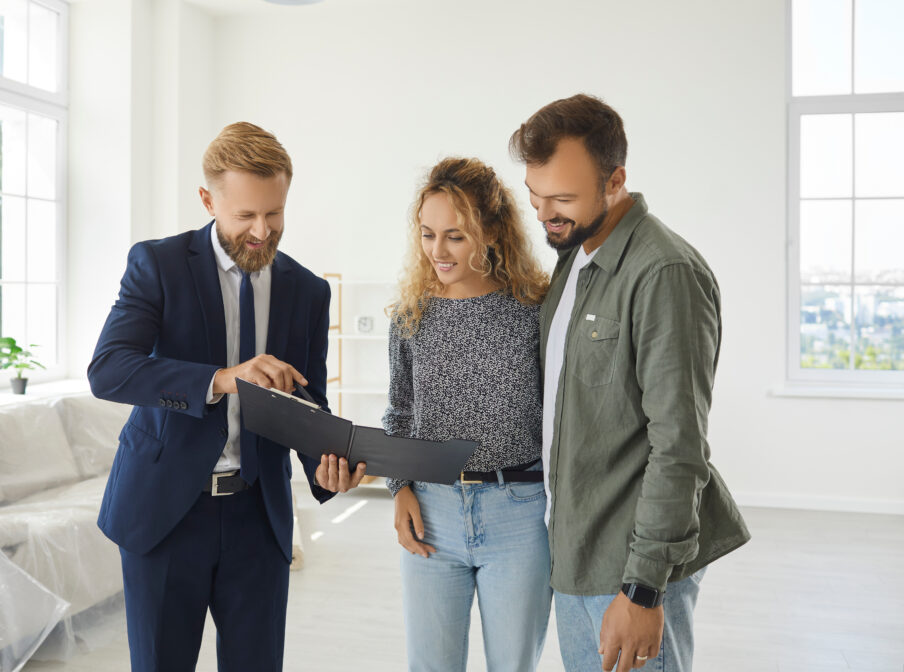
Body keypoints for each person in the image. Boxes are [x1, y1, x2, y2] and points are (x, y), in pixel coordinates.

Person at [88, 121, 366, 671]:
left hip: (257, 520)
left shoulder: (308, 291)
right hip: (165, 514)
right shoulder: (157, 265)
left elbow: (307, 402)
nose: (262, 231)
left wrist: (326, 466)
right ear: (207, 199)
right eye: (245, 216)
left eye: (275, 213)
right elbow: (110, 370)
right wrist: (221, 378)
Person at [509, 94, 751, 672]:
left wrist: (644, 588)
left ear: (615, 180)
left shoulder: (665, 273)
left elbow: (680, 445)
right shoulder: (575, 259)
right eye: (536, 197)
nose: (545, 215)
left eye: (563, 198)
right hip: (574, 552)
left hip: (628, 570)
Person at [382, 157, 552, 672]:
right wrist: (399, 488)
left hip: (519, 515)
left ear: (494, 231)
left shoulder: (533, 310)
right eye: (428, 234)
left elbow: (558, 416)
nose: (437, 251)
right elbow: (400, 410)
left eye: (455, 236)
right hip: (431, 513)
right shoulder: (411, 314)